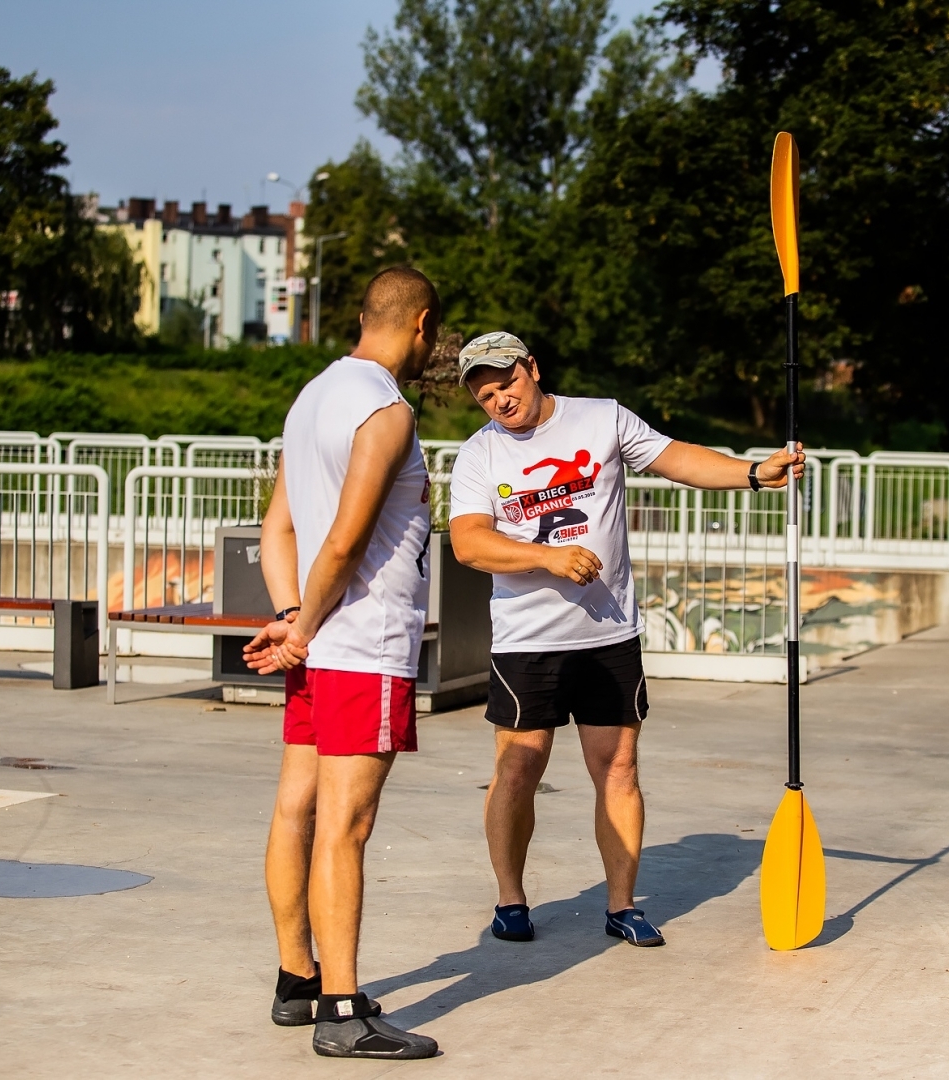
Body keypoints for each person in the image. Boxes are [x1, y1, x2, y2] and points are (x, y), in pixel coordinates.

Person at [447, 331, 804, 948]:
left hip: (608, 636)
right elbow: (468, 542)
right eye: (484, 395)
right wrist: (546, 558)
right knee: (517, 769)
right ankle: (511, 900)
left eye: (505, 383)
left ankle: (621, 904)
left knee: (617, 769)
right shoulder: (480, 455)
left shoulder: (601, 418)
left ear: (532, 367)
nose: (498, 400)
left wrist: (752, 472)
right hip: (527, 641)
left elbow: (677, 457)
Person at [241, 266, 441, 1060]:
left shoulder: (311, 395)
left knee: (298, 808)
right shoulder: (386, 412)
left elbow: (276, 532)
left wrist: (293, 619)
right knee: (347, 826)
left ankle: (298, 978)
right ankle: (341, 1010)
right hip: (363, 645)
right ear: (421, 326)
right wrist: (307, 626)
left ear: (363, 317)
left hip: (320, 642)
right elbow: (347, 541)